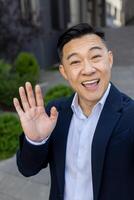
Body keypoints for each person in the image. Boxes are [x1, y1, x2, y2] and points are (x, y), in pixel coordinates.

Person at [13, 23, 134, 200]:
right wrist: (35, 140)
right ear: (64, 71)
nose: (88, 70)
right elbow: (27, 169)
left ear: (109, 59)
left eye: (95, 57)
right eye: (75, 61)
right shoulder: (55, 114)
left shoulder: (130, 115)